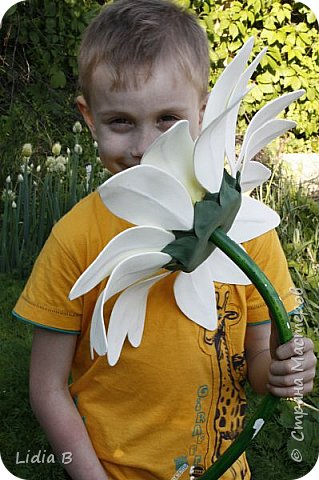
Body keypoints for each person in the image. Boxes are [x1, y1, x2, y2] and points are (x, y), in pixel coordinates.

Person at [13, 1, 316, 479]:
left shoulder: (246, 226)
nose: (146, 147)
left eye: (168, 121)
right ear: (89, 118)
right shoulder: (75, 239)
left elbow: (257, 359)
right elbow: (46, 388)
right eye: (120, 122)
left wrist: (278, 372)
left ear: (203, 111)